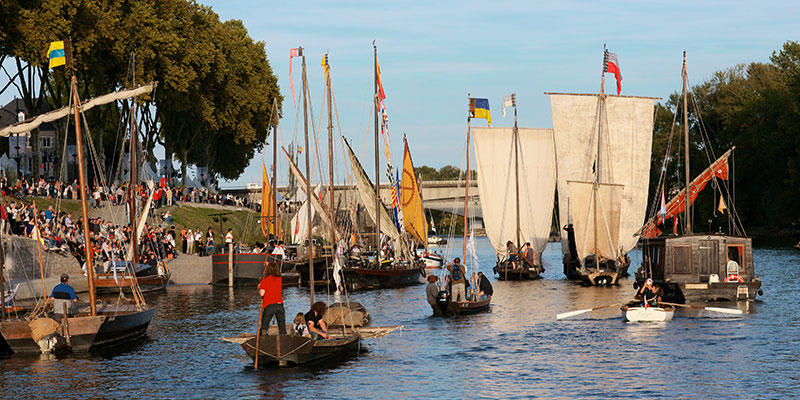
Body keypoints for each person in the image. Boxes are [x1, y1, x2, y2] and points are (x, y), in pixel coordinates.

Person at [258, 261, 286, 335]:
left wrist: (259, 286)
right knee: (282, 327)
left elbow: (262, 294)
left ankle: (263, 340)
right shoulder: (279, 279)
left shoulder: (265, 280)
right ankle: (284, 340)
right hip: (280, 305)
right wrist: (268, 265)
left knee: (264, 327)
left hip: (269, 305)